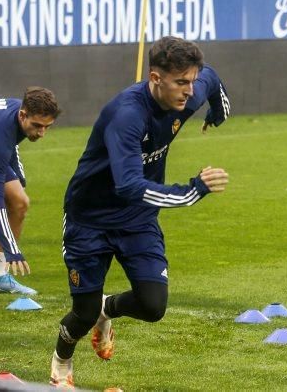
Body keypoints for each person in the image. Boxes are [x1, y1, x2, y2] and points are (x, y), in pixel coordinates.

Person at [49, 36, 231, 388]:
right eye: (181, 82)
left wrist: (218, 113)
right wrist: (192, 191)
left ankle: (109, 309)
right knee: (82, 313)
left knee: (152, 306)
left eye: (191, 81)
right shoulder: (127, 115)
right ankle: (61, 362)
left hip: (137, 218)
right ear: (155, 77)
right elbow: (129, 186)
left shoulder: (191, 89)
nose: (188, 90)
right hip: (91, 219)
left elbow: (213, 78)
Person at [0, 88, 61, 304]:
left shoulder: (21, 112)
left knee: (19, 201)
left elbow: (12, 142)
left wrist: (18, 177)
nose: (41, 133)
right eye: (37, 126)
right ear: (23, 115)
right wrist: (12, 249)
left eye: (47, 127)